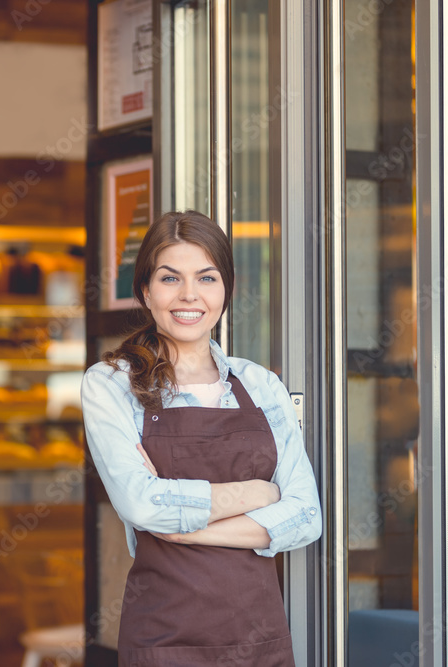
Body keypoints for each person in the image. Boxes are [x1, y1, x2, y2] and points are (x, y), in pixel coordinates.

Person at [81, 211, 321, 666]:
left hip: (260, 638)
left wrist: (183, 531)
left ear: (225, 290)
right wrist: (257, 492)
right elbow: (142, 505)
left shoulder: (261, 384)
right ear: (146, 291)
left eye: (206, 278)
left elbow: (307, 515)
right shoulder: (110, 382)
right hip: (164, 639)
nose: (189, 295)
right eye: (171, 278)